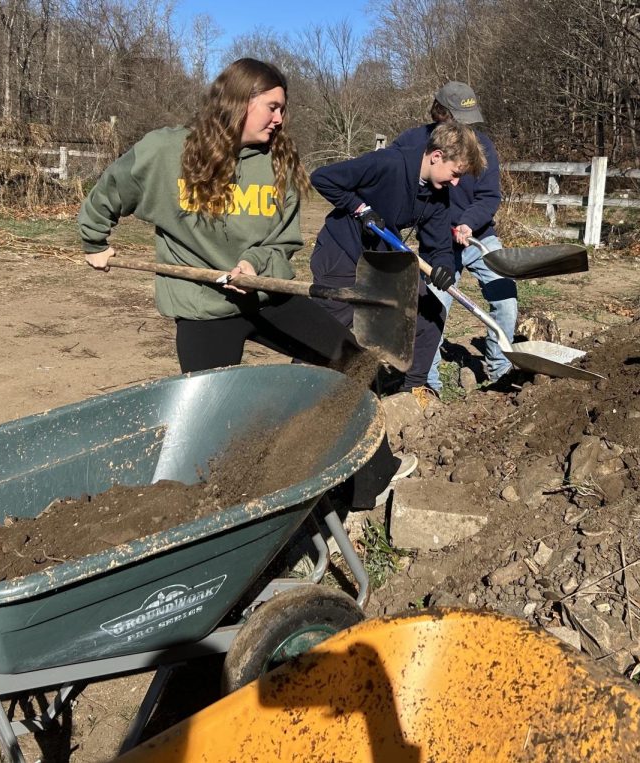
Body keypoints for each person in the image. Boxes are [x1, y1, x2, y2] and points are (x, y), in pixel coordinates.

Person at [76, 58, 413, 504]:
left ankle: (367, 486)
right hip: (203, 308)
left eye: (282, 109)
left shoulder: (277, 164)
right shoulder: (165, 152)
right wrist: (93, 239)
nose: (280, 119)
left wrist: (255, 265)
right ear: (240, 101)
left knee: (355, 364)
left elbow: (283, 239)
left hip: (267, 297)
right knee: (215, 427)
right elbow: (110, 190)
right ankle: (229, 507)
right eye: (272, 107)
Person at [309, 120, 487, 404]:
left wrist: (443, 267)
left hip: (382, 260)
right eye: (455, 174)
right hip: (342, 250)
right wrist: (360, 208)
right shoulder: (388, 163)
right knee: (327, 327)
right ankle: (297, 389)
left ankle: (411, 394)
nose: (456, 183)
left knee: (431, 314)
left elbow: (439, 245)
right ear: (436, 156)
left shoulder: (437, 195)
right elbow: (323, 177)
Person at [392, 81, 516, 391]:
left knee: (506, 298)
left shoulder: (483, 146)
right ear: (440, 113)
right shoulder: (413, 142)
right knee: (434, 308)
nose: (467, 127)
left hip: (478, 237)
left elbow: (489, 196)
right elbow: (395, 179)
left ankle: (501, 369)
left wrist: (468, 223)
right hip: (437, 244)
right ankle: (428, 382)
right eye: (460, 119)